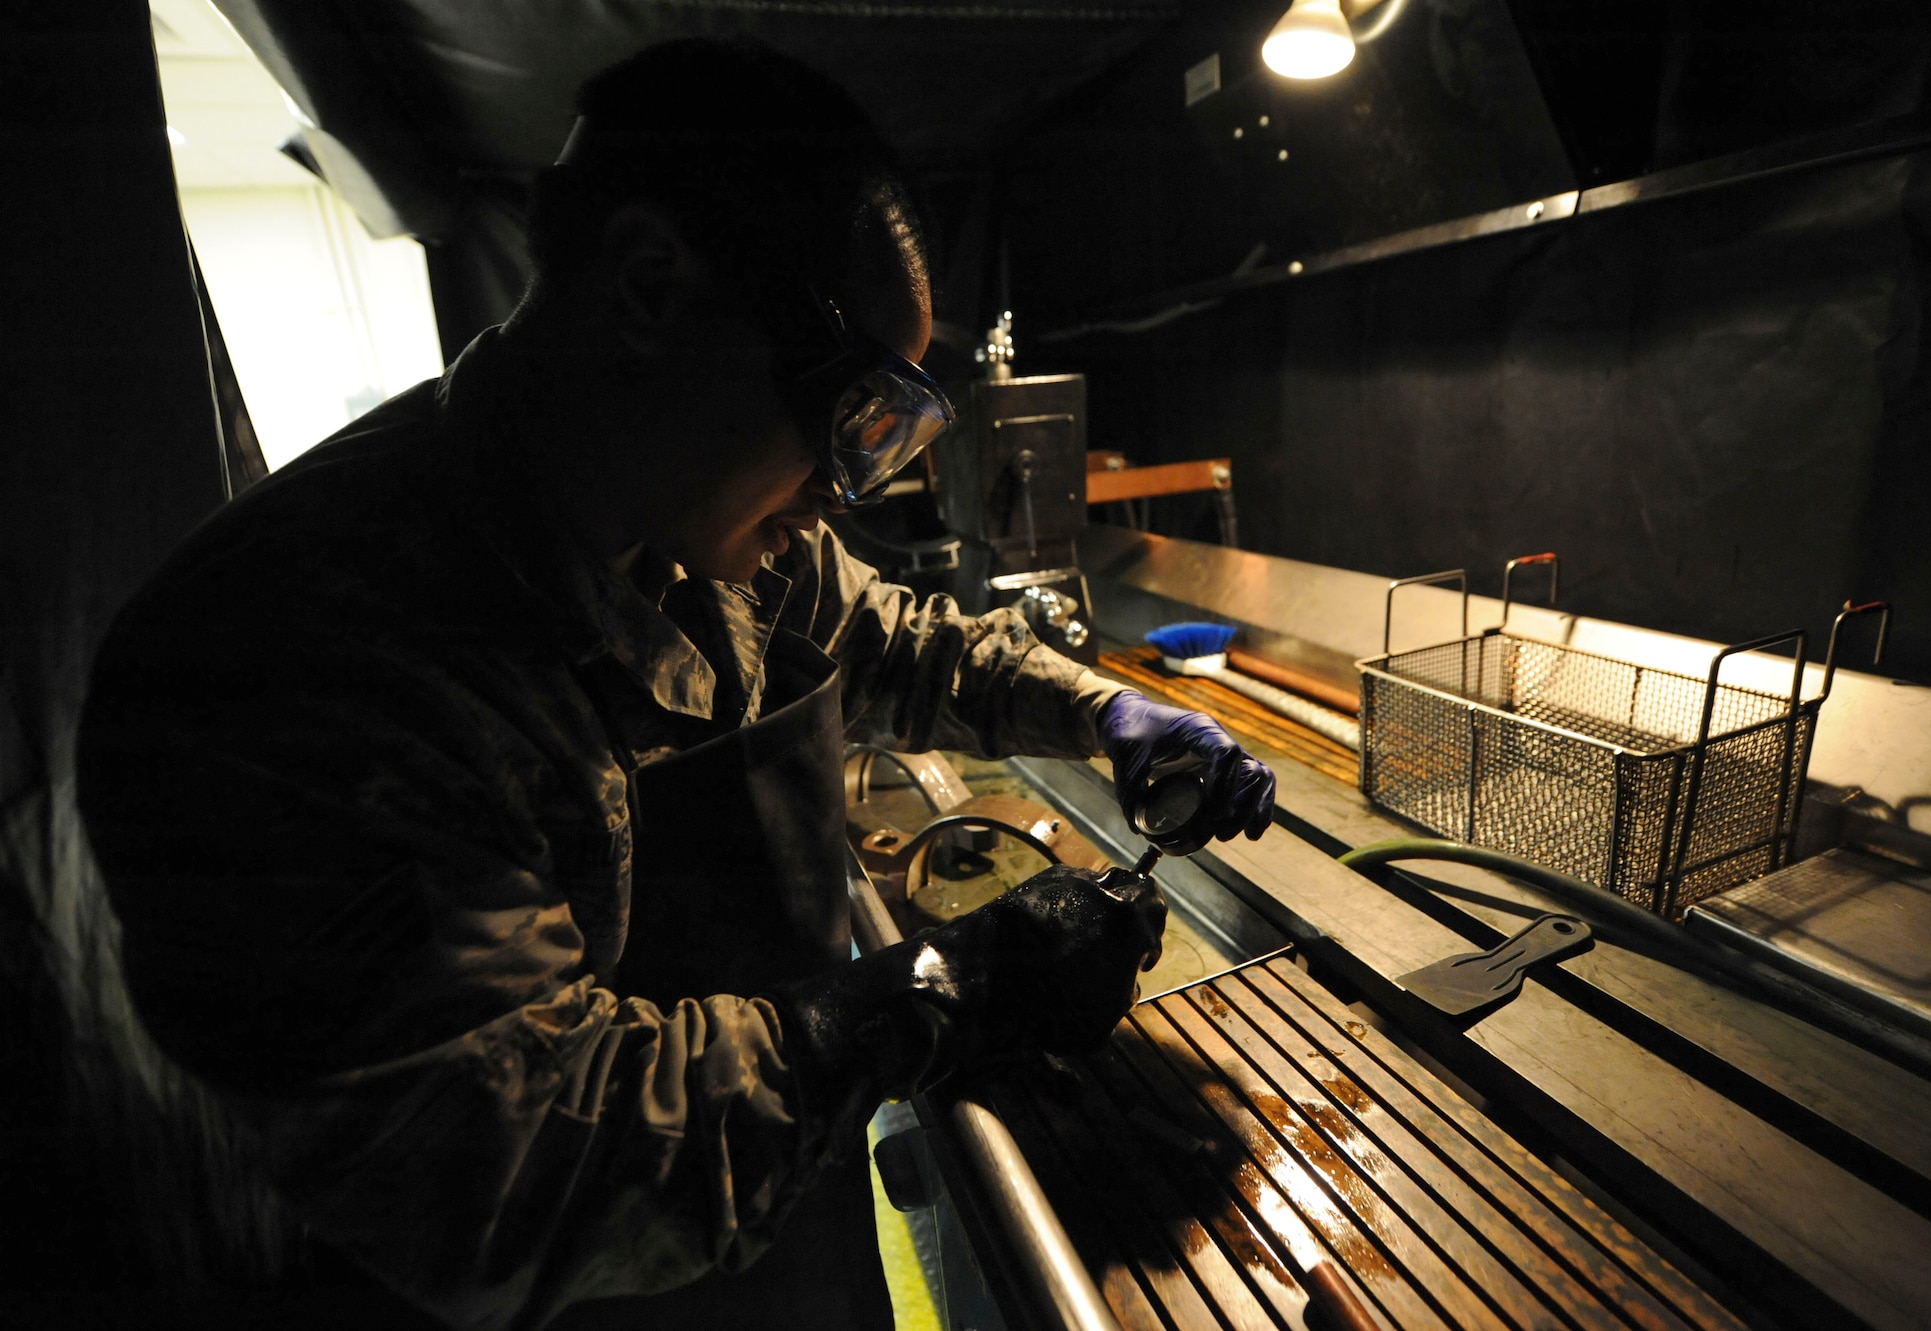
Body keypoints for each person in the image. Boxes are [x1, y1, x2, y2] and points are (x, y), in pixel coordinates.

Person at [77, 37, 1275, 1331]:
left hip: (770, 1241)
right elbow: (524, 1171)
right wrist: (945, 990)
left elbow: (893, 641)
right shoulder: (281, 659)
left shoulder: (701, 533)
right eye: (848, 412)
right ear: (653, 287)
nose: (847, 491)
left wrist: (1103, 713)